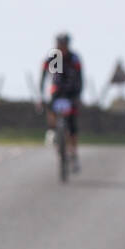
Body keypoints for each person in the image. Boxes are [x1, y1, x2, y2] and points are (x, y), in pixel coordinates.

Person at [39, 33, 83, 171]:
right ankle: (52, 130)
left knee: (72, 125)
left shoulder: (74, 58)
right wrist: (42, 95)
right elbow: (48, 76)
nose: (61, 47)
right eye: (59, 44)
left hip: (71, 93)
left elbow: (80, 79)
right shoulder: (55, 57)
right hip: (57, 93)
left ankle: (74, 154)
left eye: (64, 44)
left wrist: (78, 96)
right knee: (51, 108)